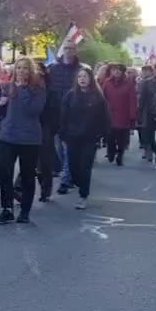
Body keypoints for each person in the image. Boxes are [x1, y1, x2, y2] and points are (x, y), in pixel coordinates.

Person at [0, 59, 48, 224]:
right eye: (19, 68)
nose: (21, 71)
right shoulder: (9, 86)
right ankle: (7, 208)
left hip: (29, 138)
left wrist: (22, 88)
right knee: (4, 171)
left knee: (27, 175)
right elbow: (1, 108)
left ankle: (25, 211)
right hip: (8, 135)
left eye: (25, 69)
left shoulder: (38, 89)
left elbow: (33, 110)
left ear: (31, 72)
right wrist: (0, 102)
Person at [60, 68, 110, 209]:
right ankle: (78, 182)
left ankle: (83, 195)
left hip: (90, 137)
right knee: (74, 167)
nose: (82, 79)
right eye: (80, 76)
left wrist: (101, 135)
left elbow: (104, 118)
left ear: (90, 79)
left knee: (85, 167)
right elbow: (63, 116)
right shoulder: (70, 96)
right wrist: (63, 134)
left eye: (85, 76)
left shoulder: (97, 97)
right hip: (72, 137)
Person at [47, 43, 82, 195]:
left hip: (73, 113)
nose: (69, 51)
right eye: (66, 48)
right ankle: (66, 172)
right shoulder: (54, 69)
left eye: (72, 49)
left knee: (68, 147)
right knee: (58, 146)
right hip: (55, 113)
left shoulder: (81, 70)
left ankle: (66, 179)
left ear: (76, 51)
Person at [102, 63, 137, 166]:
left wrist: (132, 115)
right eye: (114, 70)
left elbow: (132, 100)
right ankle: (111, 152)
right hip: (109, 114)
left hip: (123, 114)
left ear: (123, 72)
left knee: (122, 139)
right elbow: (102, 98)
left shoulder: (129, 83)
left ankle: (120, 155)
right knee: (110, 137)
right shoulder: (107, 82)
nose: (116, 72)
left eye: (119, 70)